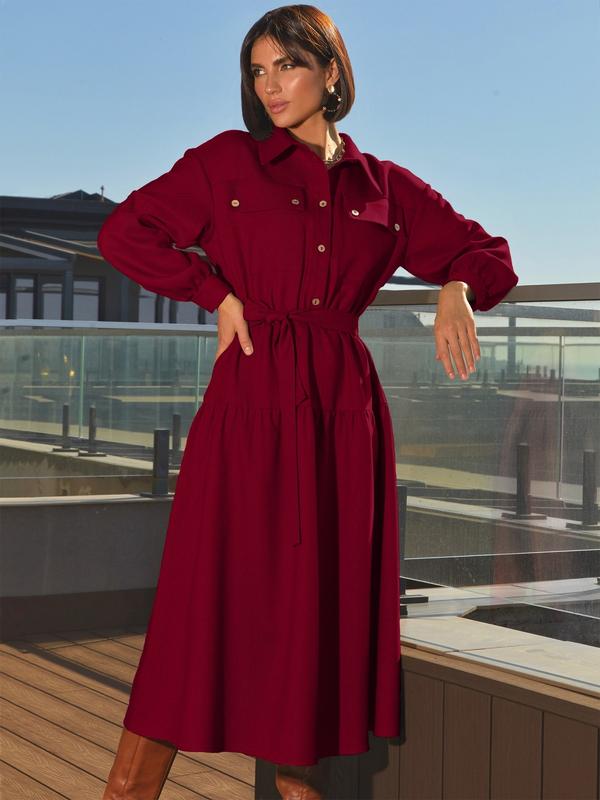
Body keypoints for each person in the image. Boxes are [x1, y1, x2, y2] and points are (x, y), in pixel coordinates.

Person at [97, 5, 519, 798]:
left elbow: (487, 252)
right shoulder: (225, 163)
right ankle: (129, 787)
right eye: (258, 71)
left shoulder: (384, 187)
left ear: (330, 72)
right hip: (250, 402)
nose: (270, 85)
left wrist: (457, 285)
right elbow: (124, 233)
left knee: (312, 617)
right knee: (203, 603)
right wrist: (214, 293)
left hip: (340, 418)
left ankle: (296, 786)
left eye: (286, 65)